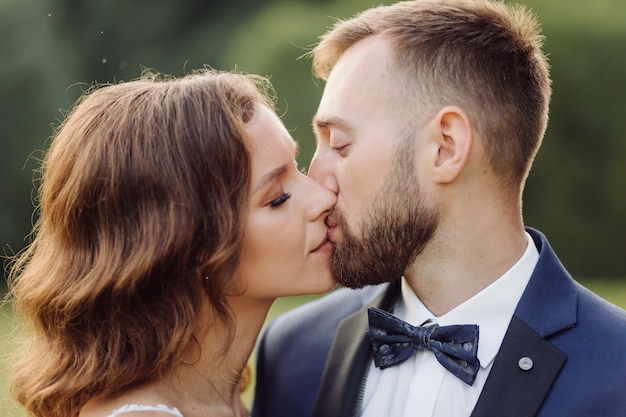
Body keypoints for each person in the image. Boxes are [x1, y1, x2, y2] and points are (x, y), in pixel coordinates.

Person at [251, 1, 626, 416]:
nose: (315, 184)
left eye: (340, 145)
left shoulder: (618, 371)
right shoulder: (292, 352)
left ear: (446, 148)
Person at [6, 69, 336, 417]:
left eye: (297, 168)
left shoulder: (222, 403)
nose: (323, 198)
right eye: (277, 198)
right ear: (188, 246)